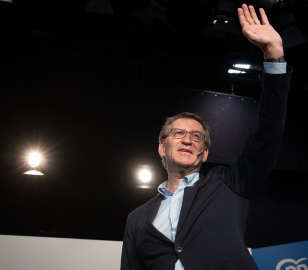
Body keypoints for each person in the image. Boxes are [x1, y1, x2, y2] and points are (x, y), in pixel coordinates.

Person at [121, 3, 292, 270]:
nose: (188, 139)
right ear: (161, 147)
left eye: (197, 137)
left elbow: (268, 133)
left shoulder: (228, 184)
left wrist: (274, 55)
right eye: (178, 133)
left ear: (205, 153)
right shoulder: (136, 219)